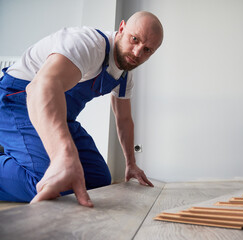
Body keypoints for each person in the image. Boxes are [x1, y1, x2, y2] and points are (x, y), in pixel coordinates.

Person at [0, 11, 163, 207]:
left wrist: (131, 163)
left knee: (97, 180)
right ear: (121, 28)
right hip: (16, 103)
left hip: (62, 117)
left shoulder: (124, 76)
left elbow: (124, 119)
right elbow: (40, 88)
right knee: (53, 181)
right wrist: (63, 156)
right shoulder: (88, 44)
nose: (137, 53)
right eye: (134, 39)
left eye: (147, 50)